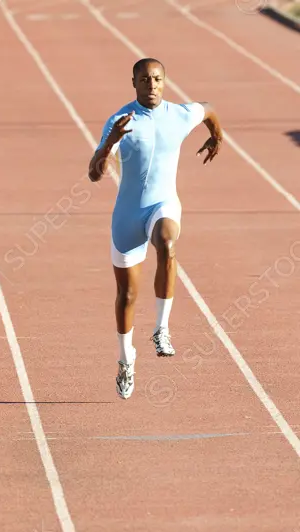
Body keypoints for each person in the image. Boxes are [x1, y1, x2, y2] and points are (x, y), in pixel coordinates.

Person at [88, 58, 222, 400]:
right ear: (133, 82)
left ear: (165, 82)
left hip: (163, 205)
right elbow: (94, 172)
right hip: (128, 216)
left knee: (167, 244)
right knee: (127, 296)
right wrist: (109, 143)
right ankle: (125, 359)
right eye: (145, 79)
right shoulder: (121, 121)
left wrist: (217, 136)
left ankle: (162, 329)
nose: (152, 85)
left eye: (158, 79)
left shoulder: (178, 114)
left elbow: (207, 109)